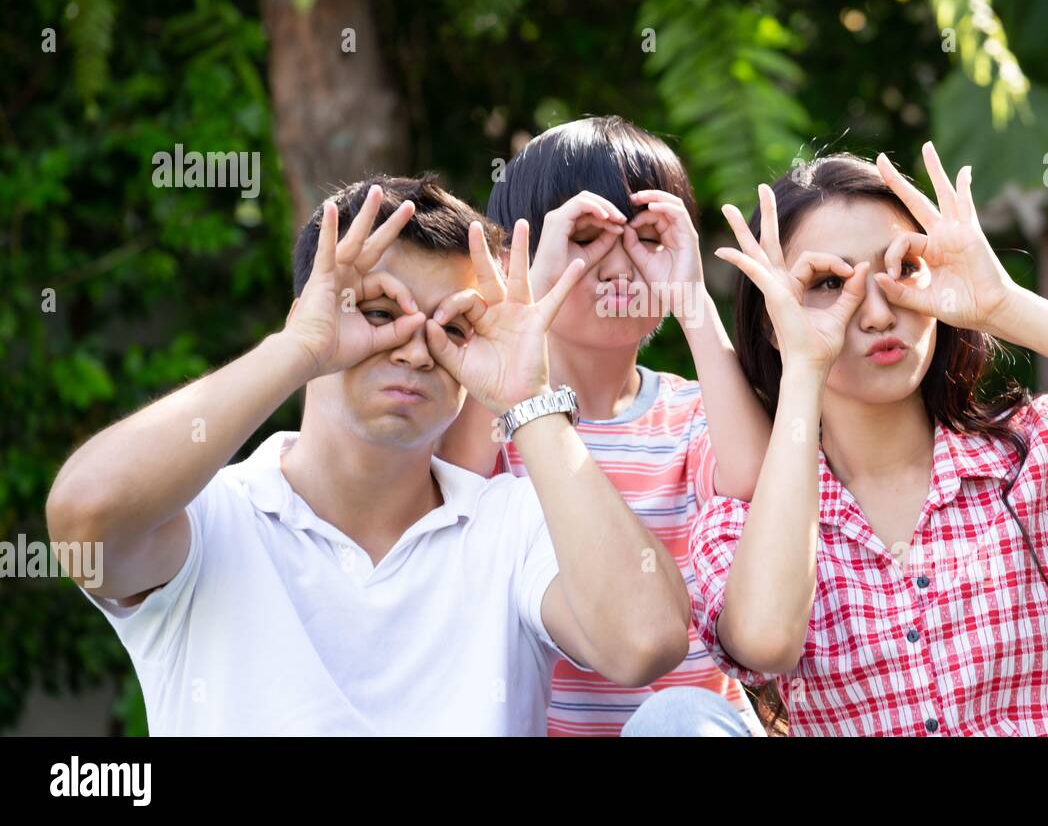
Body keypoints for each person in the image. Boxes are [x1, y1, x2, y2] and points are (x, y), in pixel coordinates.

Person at [668, 144, 1048, 736]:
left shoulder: (1041, 453)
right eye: (830, 283)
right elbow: (768, 641)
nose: (879, 312)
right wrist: (804, 364)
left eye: (901, 267)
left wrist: (1003, 305)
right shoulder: (744, 519)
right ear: (772, 321)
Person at [46, 175, 692, 735]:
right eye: (381, 314)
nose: (415, 350)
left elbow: (646, 642)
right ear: (313, 314)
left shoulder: (514, 523)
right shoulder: (212, 519)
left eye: (452, 329)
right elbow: (85, 519)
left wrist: (530, 399)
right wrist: (297, 348)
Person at [438, 116, 769, 735]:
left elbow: (753, 480)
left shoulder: (694, 411)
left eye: (646, 240)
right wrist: (524, 303)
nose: (620, 269)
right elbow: (448, 496)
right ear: (520, 256)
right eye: (586, 239)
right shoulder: (495, 421)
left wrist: (692, 297)